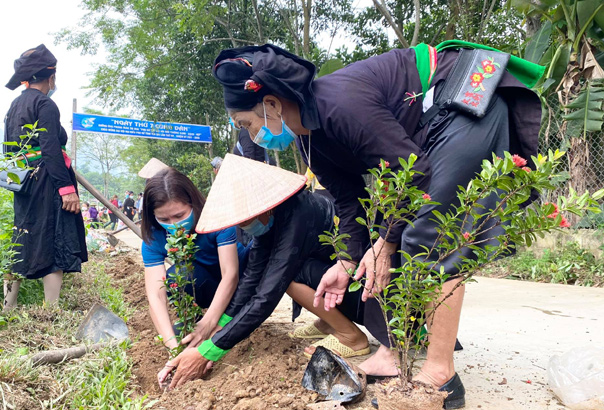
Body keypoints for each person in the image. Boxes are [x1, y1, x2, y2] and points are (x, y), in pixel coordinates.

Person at [212, 43, 543, 408]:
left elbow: (412, 171)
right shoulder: (310, 143)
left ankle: (440, 371)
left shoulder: (338, 105)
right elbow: (348, 201)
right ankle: (390, 352)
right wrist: (347, 261)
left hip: (460, 97)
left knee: (428, 236)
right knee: (390, 237)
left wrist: (385, 243)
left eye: (247, 124)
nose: (253, 135)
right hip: (425, 135)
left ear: (272, 104)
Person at [159, 154, 370, 388]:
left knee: (290, 278)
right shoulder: (270, 219)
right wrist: (220, 327)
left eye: (243, 219)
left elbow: (267, 296)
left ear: (260, 204)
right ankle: (329, 321)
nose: (242, 225)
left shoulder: (298, 214)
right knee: (280, 274)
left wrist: (208, 352)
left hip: (364, 292)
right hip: (338, 285)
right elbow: (251, 279)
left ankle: (352, 337)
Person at [140, 168, 250, 382]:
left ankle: (228, 317)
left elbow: (231, 274)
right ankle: (195, 328)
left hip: (241, 280)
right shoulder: (154, 237)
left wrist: (209, 324)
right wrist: (172, 346)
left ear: (193, 203)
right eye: (164, 218)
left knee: (213, 313)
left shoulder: (215, 218)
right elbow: (156, 295)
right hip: (204, 282)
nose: (174, 225)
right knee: (176, 278)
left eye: (180, 216)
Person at [2, 44, 87, 309]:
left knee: (22, 235)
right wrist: (66, 190)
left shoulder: (14, 105)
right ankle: (51, 309)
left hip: (22, 181)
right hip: (47, 182)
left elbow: (8, 151)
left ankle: (8, 307)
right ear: (50, 77)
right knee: (53, 239)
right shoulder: (45, 104)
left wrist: (20, 180)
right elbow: (51, 149)